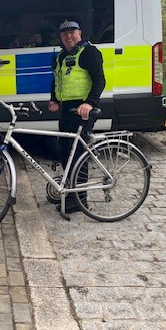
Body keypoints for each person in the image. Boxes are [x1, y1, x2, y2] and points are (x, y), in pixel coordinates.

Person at [48, 20, 106, 212]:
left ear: (80, 33)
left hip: (83, 109)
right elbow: (57, 80)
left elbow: (99, 80)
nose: (68, 36)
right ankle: (71, 192)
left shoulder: (89, 52)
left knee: (78, 155)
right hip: (67, 109)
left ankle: (80, 201)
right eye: (64, 34)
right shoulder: (61, 56)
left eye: (72, 32)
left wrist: (89, 103)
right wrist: (54, 99)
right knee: (65, 152)